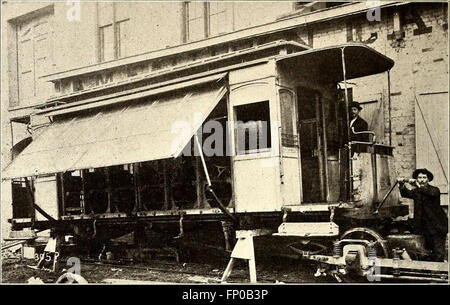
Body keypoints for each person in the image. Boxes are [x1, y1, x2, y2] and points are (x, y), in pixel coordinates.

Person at [397, 168, 448, 261]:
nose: (421, 180)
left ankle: (440, 273)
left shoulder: (434, 190)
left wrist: (416, 185)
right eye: (419, 177)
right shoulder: (417, 192)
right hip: (424, 228)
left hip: (437, 227)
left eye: (424, 177)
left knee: (438, 252)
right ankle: (430, 273)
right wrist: (401, 184)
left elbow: (429, 193)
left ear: (428, 179)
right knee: (426, 251)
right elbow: (405, 193)